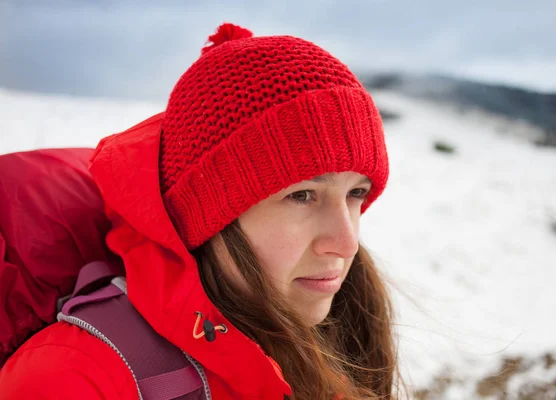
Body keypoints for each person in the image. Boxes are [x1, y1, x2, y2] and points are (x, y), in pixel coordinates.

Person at [0, 22, 401, 399]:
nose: (347, 242)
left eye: (356, 193)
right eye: (302, 195)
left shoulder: (339, 341)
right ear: (209, 215)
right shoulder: (77, 377)